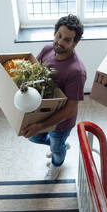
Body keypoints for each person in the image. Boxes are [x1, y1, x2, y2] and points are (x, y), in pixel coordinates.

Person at [22, 15, 87, 180]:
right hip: (41, 111)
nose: (60, 41)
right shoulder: (47, 49)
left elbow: (69, 110)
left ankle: (57, 165)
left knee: (56, 150)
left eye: (67, 39)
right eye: (59, 35)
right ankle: (61, 145)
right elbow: (33, 72)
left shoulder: (77, 72)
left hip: (61, 122)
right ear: (55, 33)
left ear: (75, 43)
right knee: (34, 137)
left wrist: (41, 125)